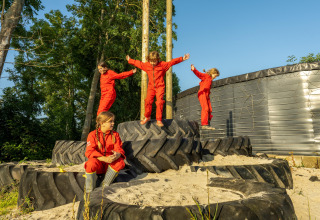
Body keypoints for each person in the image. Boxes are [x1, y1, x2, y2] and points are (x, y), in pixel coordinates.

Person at [126, 51, 190, 127]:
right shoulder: (147, 65)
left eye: (154, 61)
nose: (153, 63)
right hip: (151, 87)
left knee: (159, 102)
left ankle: (159, 119)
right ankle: (147, 116)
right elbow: (139, 63)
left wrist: (182, 58)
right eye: (151, 61)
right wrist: (130, 60)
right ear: (149, 60)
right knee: (147, 101)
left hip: (160, 87)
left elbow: (171, 62)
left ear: (158, 59)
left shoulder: (162, 65)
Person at [84, 111, 125, 193]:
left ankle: (104, 185)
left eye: (113, 121)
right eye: (110, 121)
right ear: (102, 123)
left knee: (120, 162)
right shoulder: (92, 135)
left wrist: (117, 155)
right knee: (90, 163)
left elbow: (119, 148)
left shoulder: (115, 135)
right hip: (99, 163)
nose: (113, 123)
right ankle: (89, 191)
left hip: (109, 165)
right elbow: (90, 151)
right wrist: (104, 158)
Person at [191, 64, 220, 130]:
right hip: (202, 93)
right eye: (215, 76)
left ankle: (208, 122)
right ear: (213, 73)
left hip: (207, 95)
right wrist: (194, 69)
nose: (215, 77)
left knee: (210, 108)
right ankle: (204, 124)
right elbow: (199, 74)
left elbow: (204, 83)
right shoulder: (206, 76)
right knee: (205, 108)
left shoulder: (210, 80)